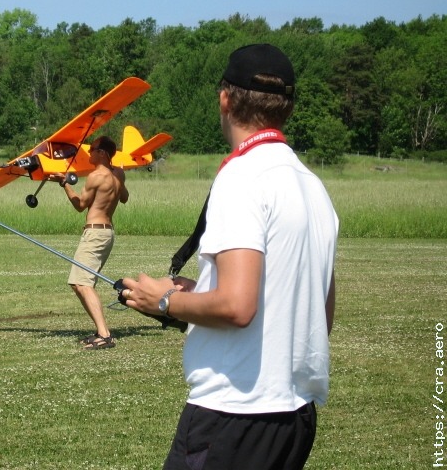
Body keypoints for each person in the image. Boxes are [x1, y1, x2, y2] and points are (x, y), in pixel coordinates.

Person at [120, 44, 338, 469]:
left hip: (233, 413)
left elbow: (238, 306)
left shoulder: (242, 176)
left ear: (225, 99)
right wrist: (200, 293)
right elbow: (318, 314)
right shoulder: (313, 186)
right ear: (287, 107)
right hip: (294, 417)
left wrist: (163, 302)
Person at [59, 135, 129, 350]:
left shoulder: (96, 176)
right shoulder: (118, 174)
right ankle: (100, 331)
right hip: (107, 233)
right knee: (78, 283)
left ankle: (105, 335)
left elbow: (80, 205)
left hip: (95, 233)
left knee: (83, 283)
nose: (89, 153)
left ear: (102, 153)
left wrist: (64, 185)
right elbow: (124, 197)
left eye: (93, 150)